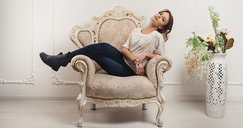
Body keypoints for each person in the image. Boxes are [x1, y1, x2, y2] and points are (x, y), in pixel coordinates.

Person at [40, 9, 173, 77]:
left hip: (129, 70)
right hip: (124, 59)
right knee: (102, 46)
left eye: (162, 19)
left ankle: (60, 60)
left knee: (95, 55)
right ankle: (61, 60)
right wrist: (135, 59)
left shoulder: (157, 37)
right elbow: (124, 49)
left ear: (162, 27)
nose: (158, 16)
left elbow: (161, 57)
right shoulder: (137, 30)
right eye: (160, 13)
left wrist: (145, 54)